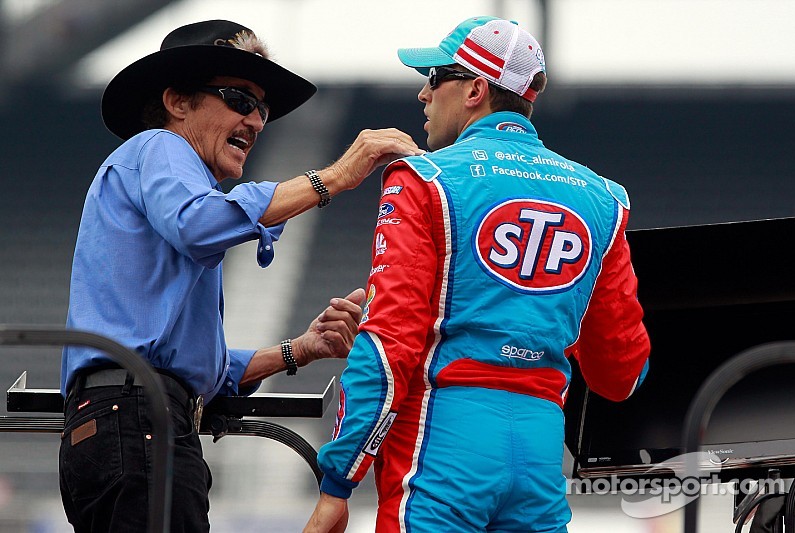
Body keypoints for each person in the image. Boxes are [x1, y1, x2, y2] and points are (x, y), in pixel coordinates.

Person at [58, 19, 422, 533]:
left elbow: (192, 365)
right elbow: (199, 223)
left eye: (263, 108)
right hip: (138, 423)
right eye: (238, 98)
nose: (255, 119)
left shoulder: (160, 183)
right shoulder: (161, 148)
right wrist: (336, 178)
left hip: (124, 424)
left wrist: (300, 349)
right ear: (178, 103)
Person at [304, 16, 651, 533]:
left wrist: (339, 481)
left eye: (434, 77)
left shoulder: (423, 179)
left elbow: (388, 347)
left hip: (442, 447)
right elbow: (621, 374)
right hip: (539, 455)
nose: (423, 94)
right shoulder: (603, 197)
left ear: (475, 89)